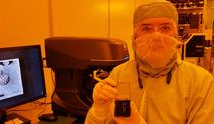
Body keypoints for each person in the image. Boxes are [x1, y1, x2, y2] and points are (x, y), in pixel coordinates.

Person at [85, 0, 214, 124]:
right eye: (147, 29)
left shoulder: (201, 83)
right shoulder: (119, 74)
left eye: (165, 28)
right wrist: (99, 110)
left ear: (176, 35)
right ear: (135, 36)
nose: (156, 36)